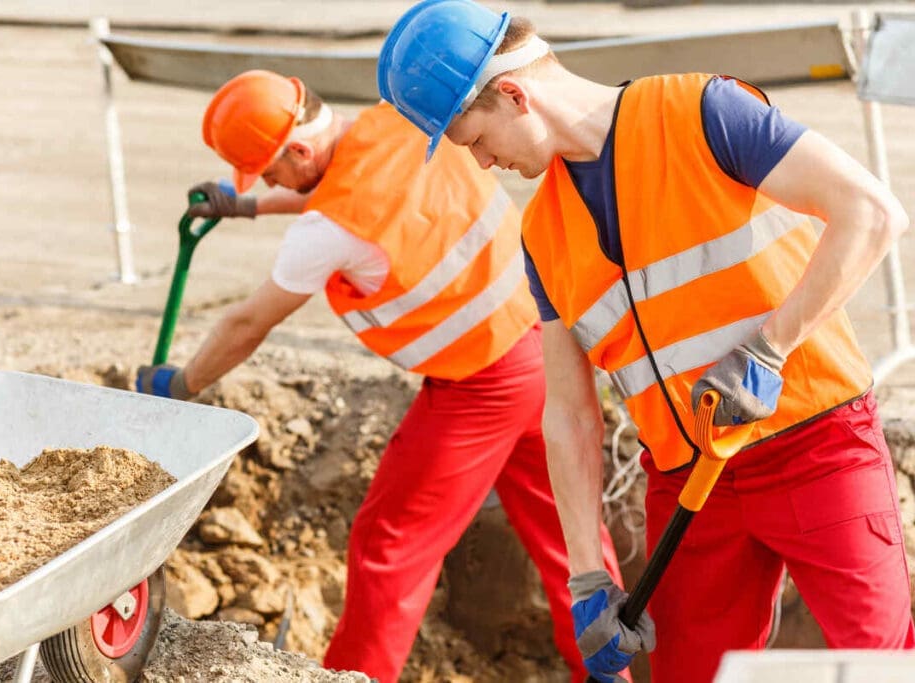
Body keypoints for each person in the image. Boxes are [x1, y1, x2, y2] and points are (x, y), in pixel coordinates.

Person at [376, 1, 915, 682]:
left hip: (817, 447)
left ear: (514, 94)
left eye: (475, 141)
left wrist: (770, 347)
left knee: (880, 665)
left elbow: (870, 212)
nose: (484, 163)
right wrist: (585, 576)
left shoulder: (701, 112)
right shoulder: (543, 233)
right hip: (692, 482)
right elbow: (569, 412)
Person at [135, 68, 627, 683]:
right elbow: (347, 184)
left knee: (389, 544)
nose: (268, 182)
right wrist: (248, 206)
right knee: (571, 547)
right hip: (548, 350)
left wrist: (179, 386)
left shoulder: (329, 229)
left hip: (483, 383)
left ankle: (351, 678)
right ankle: (614, 675)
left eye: (268, 172)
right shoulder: (396, 123)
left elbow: (245, 324)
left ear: (299, 150)